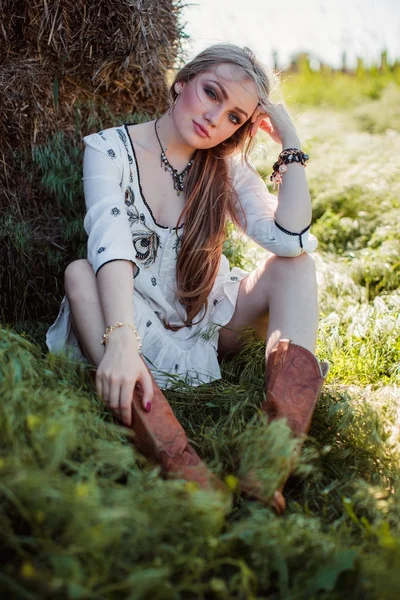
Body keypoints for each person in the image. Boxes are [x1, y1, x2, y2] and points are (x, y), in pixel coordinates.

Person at [46, 44, 328, 513]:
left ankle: (268, 465)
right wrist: (119, 339)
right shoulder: (109, 149)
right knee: (80, 273)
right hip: (132, 324)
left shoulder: (223, 165)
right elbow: (109, 245)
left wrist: (289, 140)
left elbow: (290, 239)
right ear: (182, 81)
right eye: (211, 93)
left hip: (206, 319)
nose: (216, 118)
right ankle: (184, 471)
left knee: (297, 267)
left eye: (235, 117)